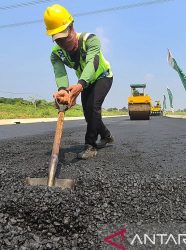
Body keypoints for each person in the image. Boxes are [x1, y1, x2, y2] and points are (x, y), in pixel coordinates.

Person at [44, 4, 114, 159]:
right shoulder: (56, 54)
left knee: (93, 107)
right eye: (58, 40)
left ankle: (90, 145)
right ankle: (107, 136)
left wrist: (80, 85)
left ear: (72, 27)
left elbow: (92, 64)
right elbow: (60, 73)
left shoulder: (90, 40)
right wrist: (63, 90)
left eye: (65, 37)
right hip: (85, 82)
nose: (63, 44)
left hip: (103, 76)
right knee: (88, 113)